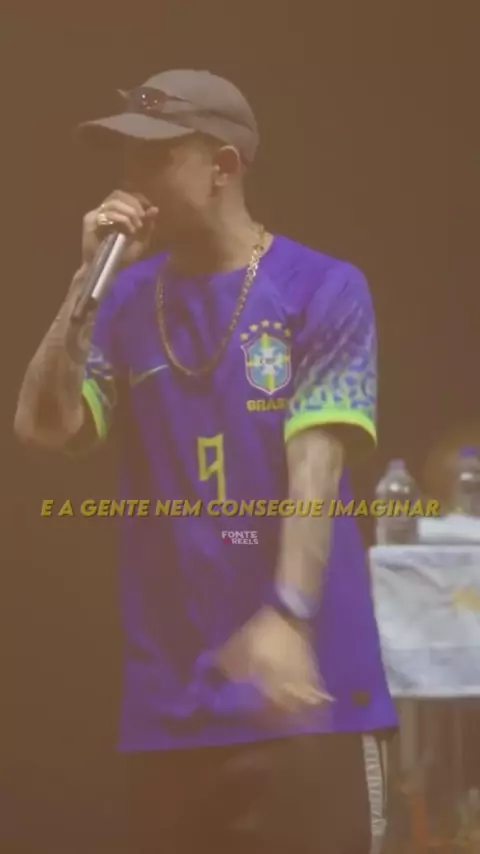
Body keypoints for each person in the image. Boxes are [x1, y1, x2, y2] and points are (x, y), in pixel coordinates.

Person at [15, 69, 397, 854]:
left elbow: (316, 468)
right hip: (170, 708)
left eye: (157, 157)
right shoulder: (120, 300)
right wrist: (83, 287)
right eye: (126, 156)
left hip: (304, 695)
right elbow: (43, 428)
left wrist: (288, 612)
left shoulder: (322, 288)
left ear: (224, 167)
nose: (132, 179)